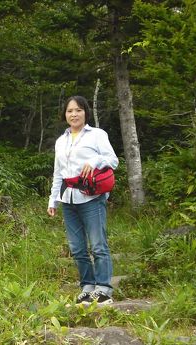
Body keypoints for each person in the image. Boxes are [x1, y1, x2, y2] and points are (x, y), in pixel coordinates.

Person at [47, 95, 119, 305]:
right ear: (65, 115)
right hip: (68, 199)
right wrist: (53, 200)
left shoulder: (96, 135)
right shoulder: (61, 141)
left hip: (92, 197)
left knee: (98, 245)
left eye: (78, 110)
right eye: (70, 111)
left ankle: (103, 288)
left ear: (85, 112)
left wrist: (94, 160)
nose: (74, 114)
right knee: (77, 248)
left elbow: (112, 160)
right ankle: (87, 288)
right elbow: (58, 173)